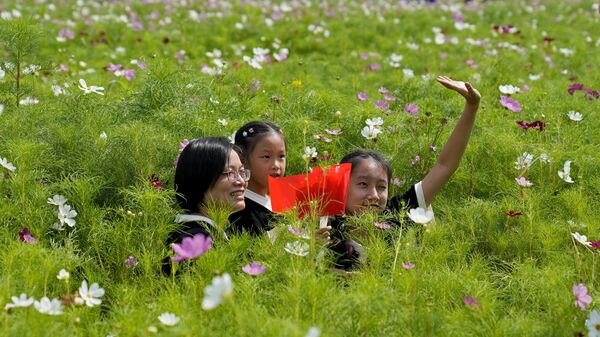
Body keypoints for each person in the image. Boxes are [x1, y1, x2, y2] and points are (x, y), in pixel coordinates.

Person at [330, 76, 481, 269]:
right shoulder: (326, 230)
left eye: (382, 186)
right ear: (341, 187)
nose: (374, 195)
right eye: (363, 184)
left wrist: (472, 106)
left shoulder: (398, 216)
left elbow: (445, 166)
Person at [164, 137, 249, 273]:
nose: (241, 181)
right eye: (230, 173)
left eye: (242, 172)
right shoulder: (193, 241)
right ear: (200, 178)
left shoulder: (207, 232)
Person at [228, 121, 287, 236]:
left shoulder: (285, 197)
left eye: (281, 156)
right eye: (266, 157)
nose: (276, 165)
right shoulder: (240, 211)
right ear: (243, 160)